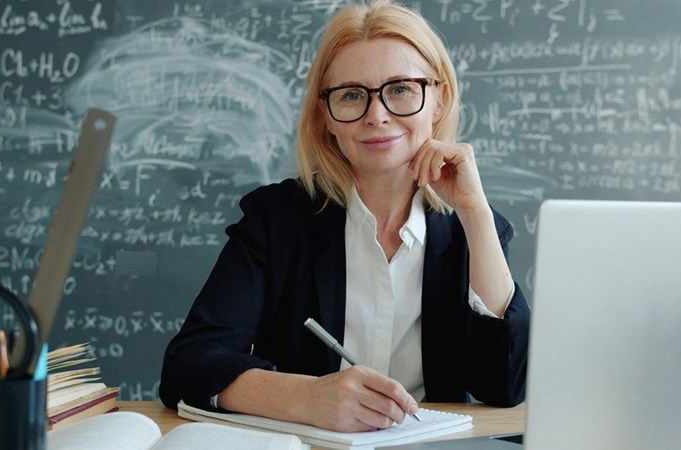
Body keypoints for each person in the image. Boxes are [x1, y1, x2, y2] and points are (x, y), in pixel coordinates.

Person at [160, 0, 529, 433]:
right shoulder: (276, 220)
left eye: (401, 89)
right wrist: (304, 397)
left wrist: (475, 212)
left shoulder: (470, 227)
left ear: (438, 100)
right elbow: (188, 366)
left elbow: (505, 385)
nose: (377, 115)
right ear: (326, 116)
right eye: (352, 95)